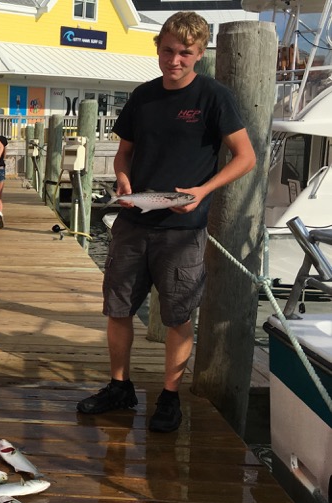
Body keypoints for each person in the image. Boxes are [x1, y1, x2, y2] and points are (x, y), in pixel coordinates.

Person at [76, 12, 256, 432]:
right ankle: (119, 386)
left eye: (185, 53)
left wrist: (202, 191)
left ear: (198, 55)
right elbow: (124, 153)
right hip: (134, 222)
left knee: (178, 316)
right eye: (169, 50)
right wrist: (122, 177)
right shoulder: (142, 96)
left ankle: (170, 396)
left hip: (182, 229)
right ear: (158, 47)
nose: (175, 60)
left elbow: (245, 157)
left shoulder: (214, 97)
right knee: (118, 309)